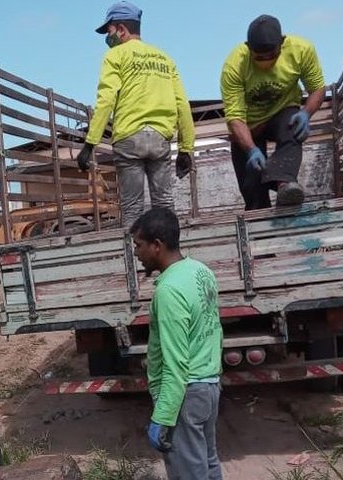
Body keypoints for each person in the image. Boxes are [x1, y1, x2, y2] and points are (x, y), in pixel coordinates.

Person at [77, 1, 195, 228]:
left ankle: (134, 259)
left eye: (109, 31)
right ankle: (171, 258)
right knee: (164, 204)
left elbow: (106, 100)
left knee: (132, 208)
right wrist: (186, 148)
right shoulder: (164, 58)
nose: (108, 37)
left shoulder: (115, 56)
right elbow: (182, 103)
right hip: (160, 138)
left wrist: (89, 144)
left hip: (129, 138)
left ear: (121, 29)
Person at [129, 209, 223, 480]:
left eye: (139, 245)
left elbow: (176, 363)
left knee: (188, 472)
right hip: (208, 386)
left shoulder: (168, 291)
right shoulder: (201, 271)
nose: (136, 253)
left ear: (157, 245)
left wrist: (163, 417)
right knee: (207, 461)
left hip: (186, 394)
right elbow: (214, 331)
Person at [221, 14, 325, 209]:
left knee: (292, 126)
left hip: (282, 111)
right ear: (248, 47)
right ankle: (259, 221)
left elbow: (318, 88)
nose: (266, 62)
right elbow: (235, 117)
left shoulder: (301, 50)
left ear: (282, 43)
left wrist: (306, 113)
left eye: (272, 55)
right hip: (248, 125)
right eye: (259, 58)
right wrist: (251, 149)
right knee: (252, 187)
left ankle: (285, 184)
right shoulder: (234, 66)